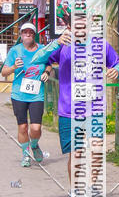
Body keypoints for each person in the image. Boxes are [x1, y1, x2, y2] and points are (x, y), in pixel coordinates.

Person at [40, 26, 119, 197]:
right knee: (76, 152)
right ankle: (76, 190)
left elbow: (118, 63)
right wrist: (54, 44)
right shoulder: (63, 45)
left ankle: (93, 188)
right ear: (69, 26)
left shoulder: (101, 45)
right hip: (70, 109)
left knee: (96, 150)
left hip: (95, 107)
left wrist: (117, 71)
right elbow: (39, 59)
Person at [1, 22, 69, 166]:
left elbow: (50, 63)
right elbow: (4, 72)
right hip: (19, 94)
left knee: (36, 128)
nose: (28, 34)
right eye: (25, 32)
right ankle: (25, 154)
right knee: (23, 127)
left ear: (34, 35)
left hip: (36, 94)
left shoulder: (42, 49)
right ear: (21, 35)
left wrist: (46, 72)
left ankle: (34, 144)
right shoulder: (15, 51)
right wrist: (14, 67)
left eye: (30, 32)